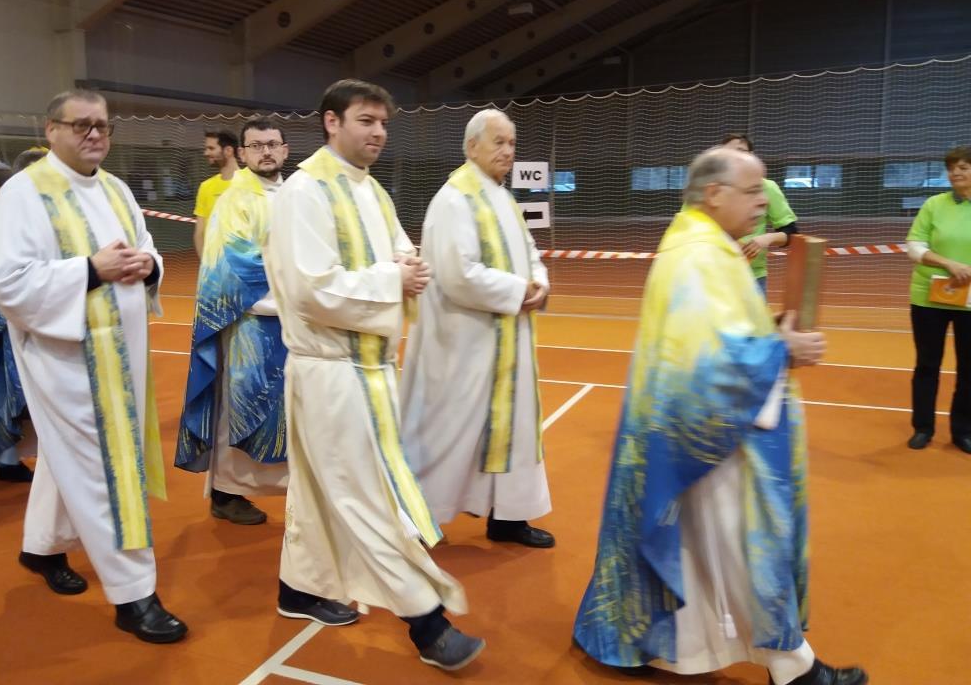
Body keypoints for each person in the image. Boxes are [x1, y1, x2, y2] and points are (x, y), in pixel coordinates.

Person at [573, 148, 867, 685]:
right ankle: (794, 667)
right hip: (708, 436)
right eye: (753, 191)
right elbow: (709, 362)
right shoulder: (698, 255)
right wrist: (783, 350)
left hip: (690, 430)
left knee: (697, 549)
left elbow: (717, 333)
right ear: (714, 194)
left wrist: (770, 330)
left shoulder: (702, 242)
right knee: (739, 544)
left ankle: (660, 647)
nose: (764, 203)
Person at [264, 79, 484, 671]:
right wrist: (394, 278)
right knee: (366, 497)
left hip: (367, 368)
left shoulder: (370, 188)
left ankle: (298, 588)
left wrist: (407, 267)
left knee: (321, 489)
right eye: (366, 120)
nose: (379, 132)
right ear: (331, 122)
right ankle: (427, 623)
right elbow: (311, 289)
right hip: (331, 371)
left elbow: (400, 252)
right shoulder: (304, 192)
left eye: (383, 122)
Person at [0, 89, 187, 644]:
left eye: (102, 125)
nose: (95, 134)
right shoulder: (24, 193)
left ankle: (41, 547)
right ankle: (134, 594)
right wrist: (90, 271)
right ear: (50, 129)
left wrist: (150, 266)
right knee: (106, 469)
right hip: (66, 362)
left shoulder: (116, 189)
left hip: (124, 355)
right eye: (81, 125)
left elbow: (146, 246)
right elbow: (7, 283)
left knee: (71, 455)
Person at [400, 108, 553, 548]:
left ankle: (509, 516)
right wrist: (519, 290)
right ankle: (418, 518)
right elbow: (457, 274)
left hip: (507, 339)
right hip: (464, 343)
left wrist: (539, 282)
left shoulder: (502, 197)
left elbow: (530, 251)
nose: (508, 151)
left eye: (512, 143)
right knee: (446, 433)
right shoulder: (454, 199)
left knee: (515, 427)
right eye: (498, 142)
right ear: (471, 147)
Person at [177, 119, 289, 524]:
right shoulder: (234, 199)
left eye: (272, 143)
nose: (266, 151)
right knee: (240, 407)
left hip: (293, 322)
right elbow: (233, 264)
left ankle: (294, 491)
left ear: (285, 150)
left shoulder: (295, 194)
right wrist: (297, 282)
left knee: (289, 412)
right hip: (251, 322)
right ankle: (226, 492)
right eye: (256, 145)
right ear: (242, 153)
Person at [0, 149, 47, 483]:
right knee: (12, 393)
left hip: (13, 318)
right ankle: (7, 461)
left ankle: (15, 458)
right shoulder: (4, 221)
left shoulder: (9, 218)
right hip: (8, 321)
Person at [904, 145, 971, 452]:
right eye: (952, 168)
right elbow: (915, 246)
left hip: (969, 300)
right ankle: (923, 427)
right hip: (927, 298)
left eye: (963, 167)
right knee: (927, 364)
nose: (955, 172)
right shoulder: (934, 205)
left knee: (969, 368)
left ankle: (963, 431)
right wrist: (949, 264)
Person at [722, 133, 798, 296]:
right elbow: (687, 229)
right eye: (728, 153)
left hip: (753, 277)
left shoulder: (768, 188)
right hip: (712, 276)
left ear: (751, 156)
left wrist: (766, 239)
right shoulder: (708, 188)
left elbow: (791, 233)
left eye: (741, 151)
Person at [194, 130, 239, 257]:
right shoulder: (205, 187)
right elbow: (199, 233)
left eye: (211, 148)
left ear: (228, 151)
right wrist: (206, 264)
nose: (206, 153)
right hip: (213, 264)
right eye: (206, 148)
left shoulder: (250, 183)